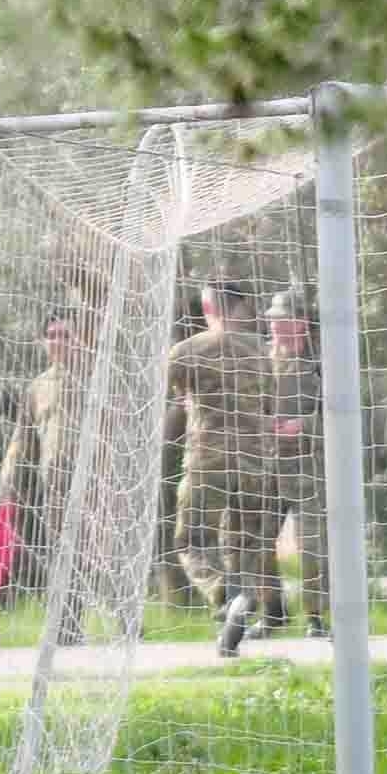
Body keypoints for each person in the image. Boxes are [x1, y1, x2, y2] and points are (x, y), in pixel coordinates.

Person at [163, 277, 279, 657]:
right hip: (254, 462)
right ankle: (238, 612)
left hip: (207, 460)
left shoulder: (186, 351)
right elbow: (271, 406)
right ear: (240, 308)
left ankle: (224, 595)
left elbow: (173, 400)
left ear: (208, 309)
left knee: (192, 540)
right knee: (243, 544)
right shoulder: (263, 353)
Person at [0, 313, 87, 640]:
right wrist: (8, 479)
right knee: (62, 552)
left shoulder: (94, 378)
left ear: (77, 340)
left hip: (96, 481)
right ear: (43, 341)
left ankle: (129, 624)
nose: (59, 341)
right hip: (57, 483)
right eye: (52, 335)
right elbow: (23, 441)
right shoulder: (37, 387)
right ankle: (68, 628)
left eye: (66, 335)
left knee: (99, 554)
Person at [265, 286, 328, 639]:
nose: (275, 327)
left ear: (302, 322)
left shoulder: (323, 363)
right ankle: (272, 611)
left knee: (312, 546)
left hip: (310, 467)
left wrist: (304, 425)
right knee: (257, 540)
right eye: (272, 321)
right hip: (268, 466)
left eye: (282, 320)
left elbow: (348, 412)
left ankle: (316, 617)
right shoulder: (263, 361)